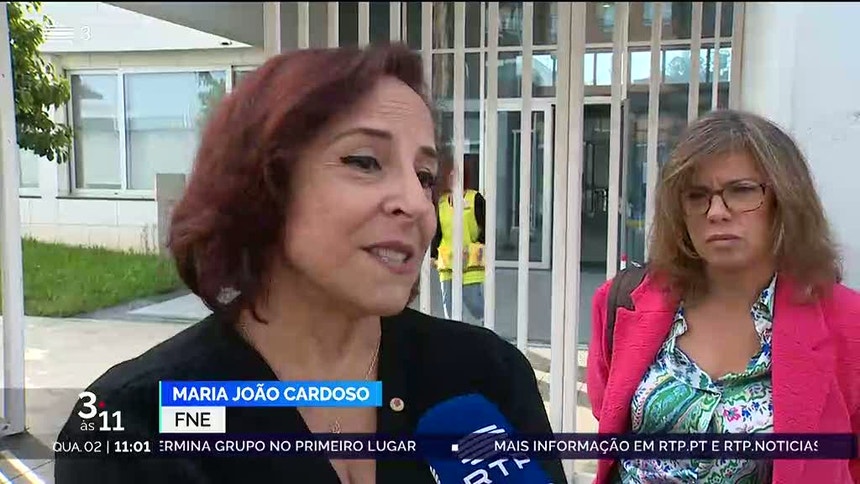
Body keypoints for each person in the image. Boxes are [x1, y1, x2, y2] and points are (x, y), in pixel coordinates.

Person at [53, 44, 564, 484]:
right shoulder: (135, 424)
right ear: (263, 184)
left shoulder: (485, 376)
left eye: (425, 176)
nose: (416, 203)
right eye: (365, 161)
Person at [587, 110, 860, 483]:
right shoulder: (623, 303)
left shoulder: (846, 323)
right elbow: (609, 417)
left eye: (741, 190)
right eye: (697, 195)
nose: (716, 212)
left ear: (785, 200)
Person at [430, 154, 486, 323]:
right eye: (450, 174)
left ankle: (485, 326)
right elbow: (437, 232)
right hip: (447, 263)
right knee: (450, 308)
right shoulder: (442, 203)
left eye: (456, 173)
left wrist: (475, 248)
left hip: (470, 262)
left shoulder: (475, 199)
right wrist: (433, 255)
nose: (452, 177)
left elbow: (486, 229)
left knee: (475, 305)